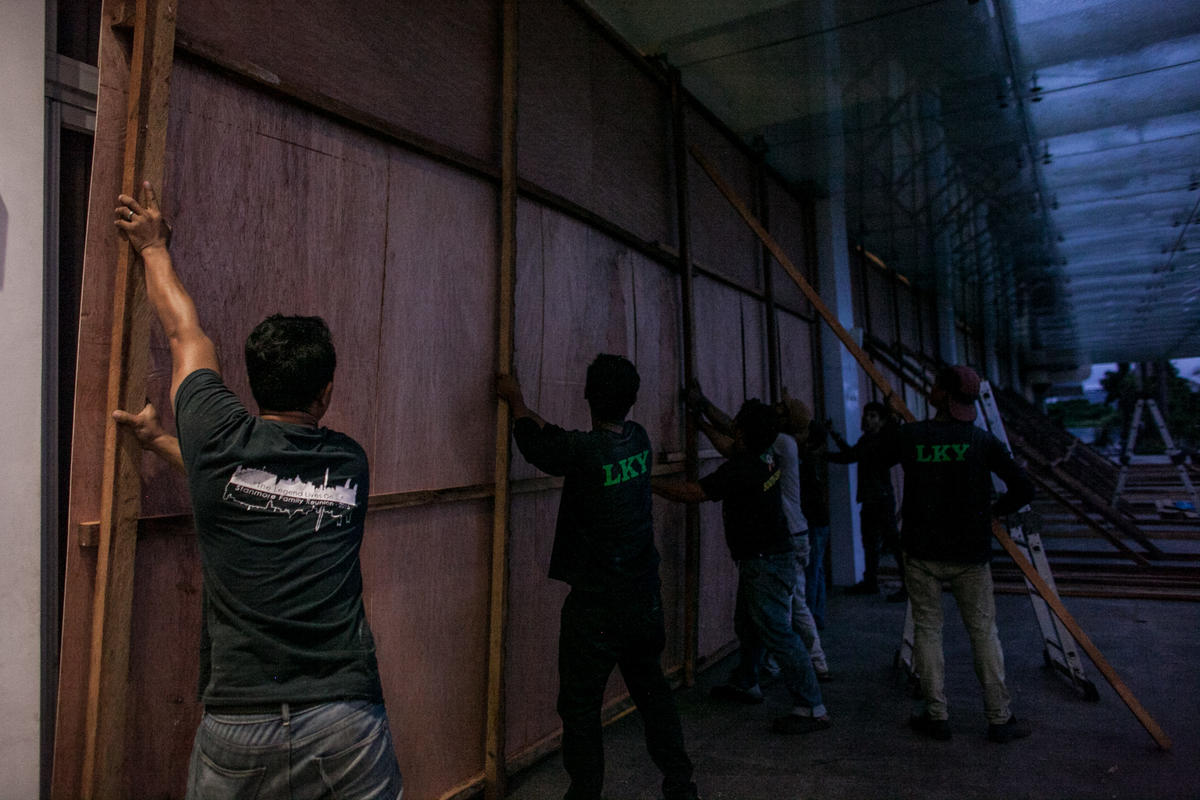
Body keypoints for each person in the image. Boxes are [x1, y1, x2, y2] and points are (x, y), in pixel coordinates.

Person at [112, 184, 403, 799]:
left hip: (240, 722)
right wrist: (166, 443)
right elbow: (274, 492)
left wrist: (153, 247)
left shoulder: (219, 443)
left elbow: (183, 332)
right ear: (324, 393)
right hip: (345, 718)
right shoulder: (350, 463)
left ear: (250, 381)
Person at [496, 355, 698, 800]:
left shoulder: (586, 452)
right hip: (644, 598)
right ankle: (681, 788)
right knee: (653, 696)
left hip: (598, 607)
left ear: (587, 396)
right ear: (632, 400)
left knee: (581, 708)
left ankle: (584, 795)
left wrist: (516, 401)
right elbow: (561, 442)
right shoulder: (638, 440)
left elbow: (541, 444)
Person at [653, 398, 830, 736]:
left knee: (778, 631)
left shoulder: (744, 466)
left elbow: (694, 492)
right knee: (749, 625)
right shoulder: (765, 456)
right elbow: (726, 446)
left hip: (764, 561)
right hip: (768, 557)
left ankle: (811, 706)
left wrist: (647, 482)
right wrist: (702, 419)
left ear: (741, 431)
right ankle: (746, 681)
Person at [881, 366, 1035, 743]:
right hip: (971, 554)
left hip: (921, 552)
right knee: (983, 633)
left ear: (942, 396)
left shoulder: (911, 436)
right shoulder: (980, 440)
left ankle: (937, 716)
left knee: (928, 631)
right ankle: (999, 718)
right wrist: (996, 511)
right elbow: (1023, 487)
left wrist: (895, 425)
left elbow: (873, 459)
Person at [687, 384, 830, 681]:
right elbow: (734, 436)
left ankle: (811, 666)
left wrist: (703, 406)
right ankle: (774, 668)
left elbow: (732, 433)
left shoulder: (780, 443)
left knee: (790, 609)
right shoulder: (780, 444)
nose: (776, 407)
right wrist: (702, 415)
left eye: (782, 408)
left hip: (786, 535)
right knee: (784, 608)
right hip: (788, 535)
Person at [827, 400, 907, 601]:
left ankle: (902, 584)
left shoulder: (877, 441)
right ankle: (873, 581)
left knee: (887, 542)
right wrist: (835, 436)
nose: (867, 419)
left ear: (881, 421)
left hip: (878, 499)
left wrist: (823, 453)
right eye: (867, 415)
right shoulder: (870, 440)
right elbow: (851, 454)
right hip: (876, 498)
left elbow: (849, 456)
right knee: (873, 542)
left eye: (873, 416)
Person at [797, 411, 832, 630]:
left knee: (811, 571)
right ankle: (816, 615)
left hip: (813, 521)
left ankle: (809, 616)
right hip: (820, 521)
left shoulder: (805, 459)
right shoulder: (814, 460)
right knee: (816, 569)